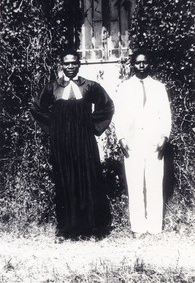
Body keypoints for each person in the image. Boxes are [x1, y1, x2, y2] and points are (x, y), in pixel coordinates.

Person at [31, 48, 114, 240]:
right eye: (66, 63)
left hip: (84, 141)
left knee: (88, 180)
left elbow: (107, 105)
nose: (70, 66)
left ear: (79, 64)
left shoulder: (90, 86)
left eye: (73, 63)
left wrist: (92, 126)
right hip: (62, 143)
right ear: (61, 65)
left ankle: (92, 229)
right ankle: (67, 230)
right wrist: (53, 128)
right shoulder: (53, 87)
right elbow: (36, 107)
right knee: (64, 182)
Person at [114, 49, 172, 237]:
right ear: (132, 64)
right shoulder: (124, 87)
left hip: (154, 142)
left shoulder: (158, 87)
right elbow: (119, 115)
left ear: (149, 64)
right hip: (132, 143)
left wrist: (164, 136)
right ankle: (138, 227)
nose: (141, 66)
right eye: (138, 62)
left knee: (155, 183)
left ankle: (155, 227)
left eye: (144, 62)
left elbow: (166, 114)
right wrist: (121, 137)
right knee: (135, 184)